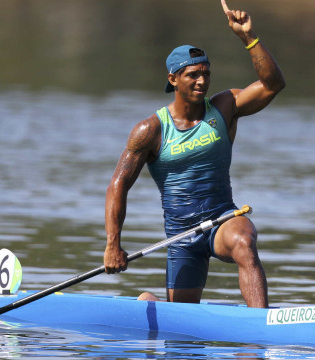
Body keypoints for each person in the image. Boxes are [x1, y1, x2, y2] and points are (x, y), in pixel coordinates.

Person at [103, 6, 285, 308]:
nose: (202, 81)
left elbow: (272, 85)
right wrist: (113, 245)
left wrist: (249, 37)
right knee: (179, 323)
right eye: (192, 75)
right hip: (181, 238)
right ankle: (149, 302)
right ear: (173, 79)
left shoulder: (225, 107)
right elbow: (117, 185)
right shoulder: (150, 130)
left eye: (206, 74)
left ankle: (261, 325)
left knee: (244, 241)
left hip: (222, 220)